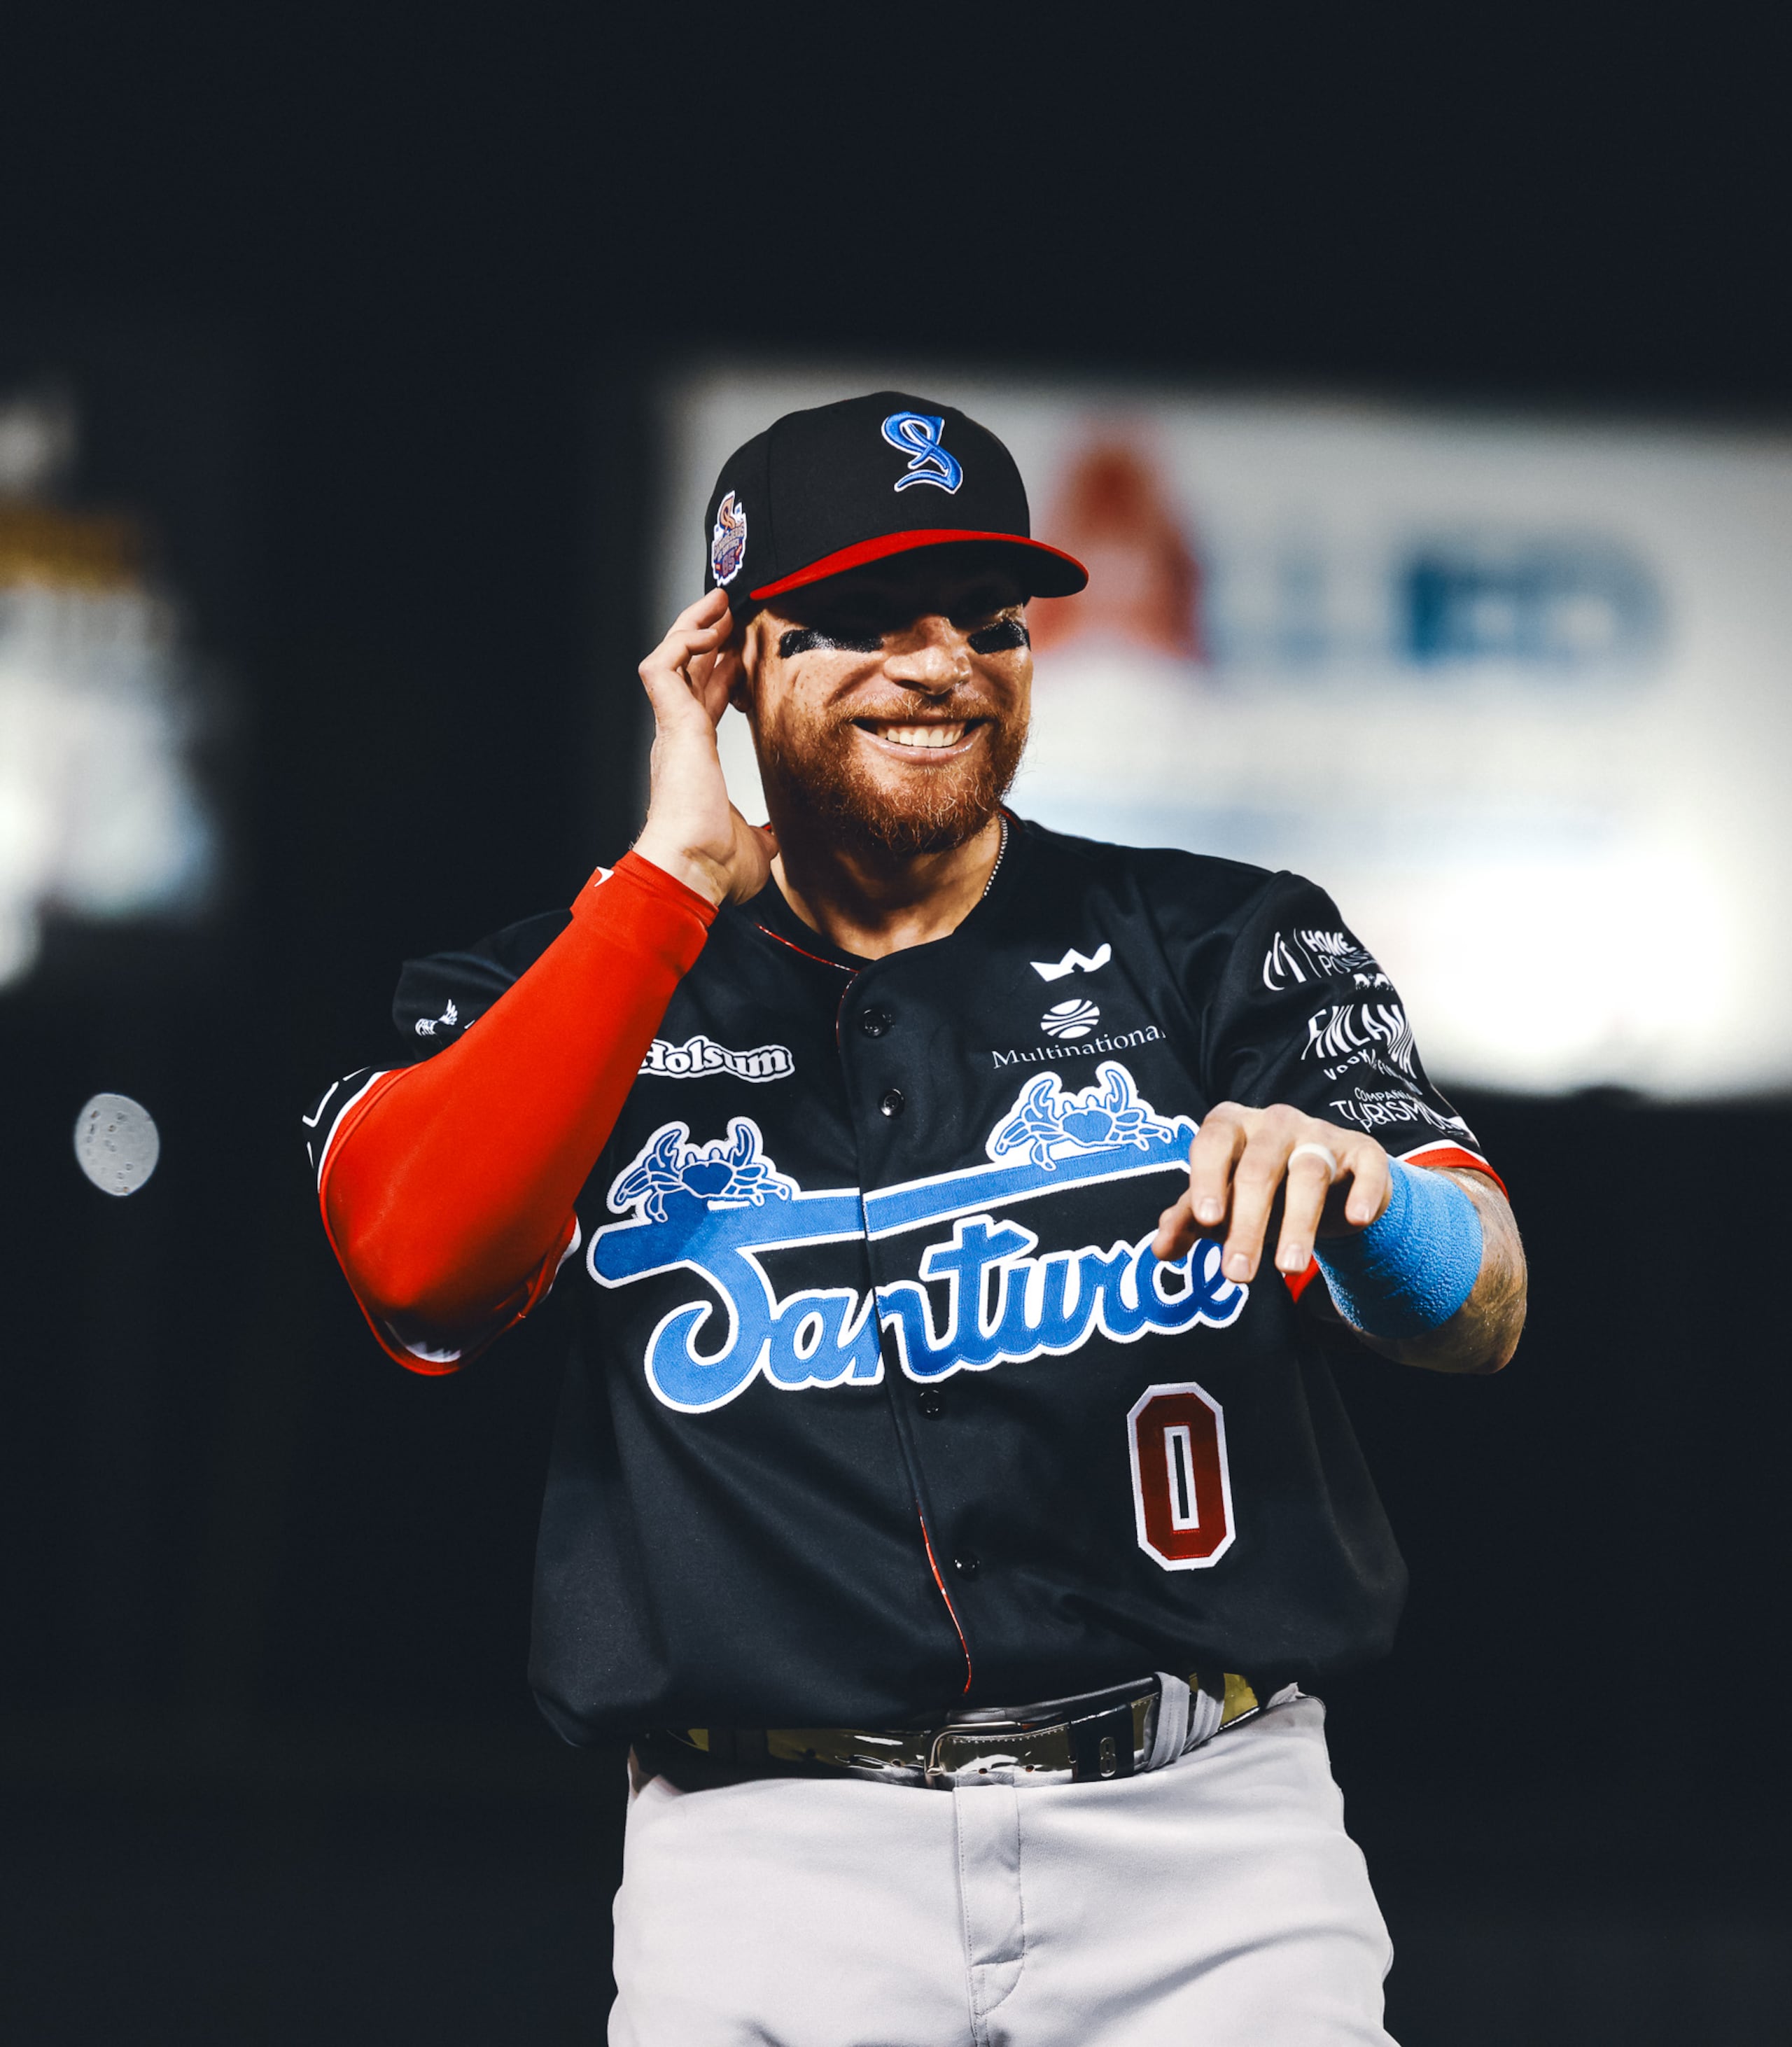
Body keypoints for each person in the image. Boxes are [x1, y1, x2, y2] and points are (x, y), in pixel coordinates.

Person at [304, 391, 1526, 2046]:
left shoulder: (1213, 939)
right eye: (866, 620)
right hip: (768, 1860)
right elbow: (417, 1272)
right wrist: (665, 886)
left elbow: (1484, 1303)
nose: (939, 663)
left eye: (988, 622)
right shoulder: (564, 992)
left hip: (1204, 1845)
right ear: (729, 666)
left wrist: (1375, 1201)